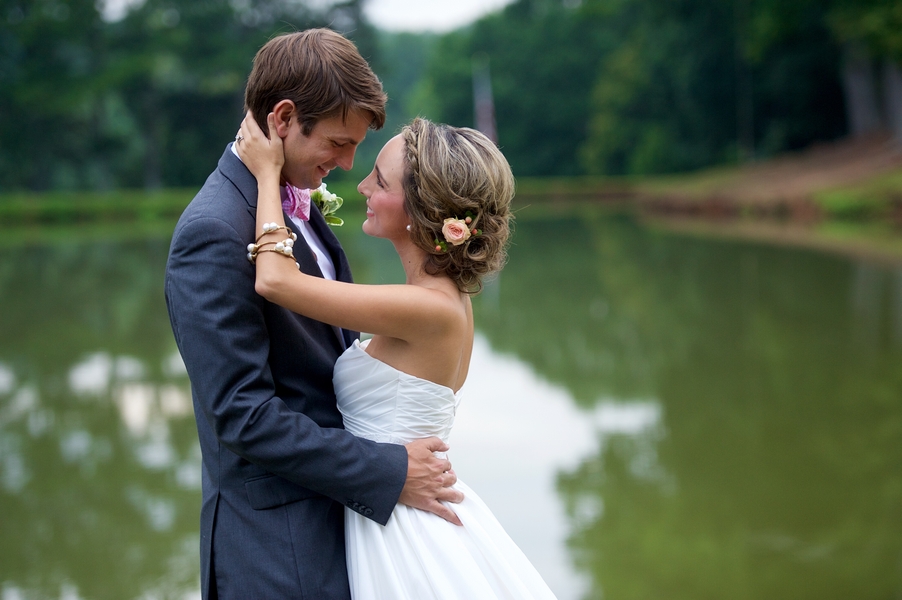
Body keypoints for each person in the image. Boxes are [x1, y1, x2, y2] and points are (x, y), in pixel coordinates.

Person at [165, 29, 461, 600]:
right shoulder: (214, 232)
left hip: (347, 527)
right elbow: (243, 416)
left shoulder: (287, 207)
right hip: (279, 551)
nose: (350, 164)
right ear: (282, 119)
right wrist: (389, 470)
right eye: (338, 142)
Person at [235, 111, 558, 599]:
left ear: (421, 209)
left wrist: (264, 174)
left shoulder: (427, 308)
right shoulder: (442, 298)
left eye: (379, 180)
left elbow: (275, 281)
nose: (361, 185)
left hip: (403, 529)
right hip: (390, 505)